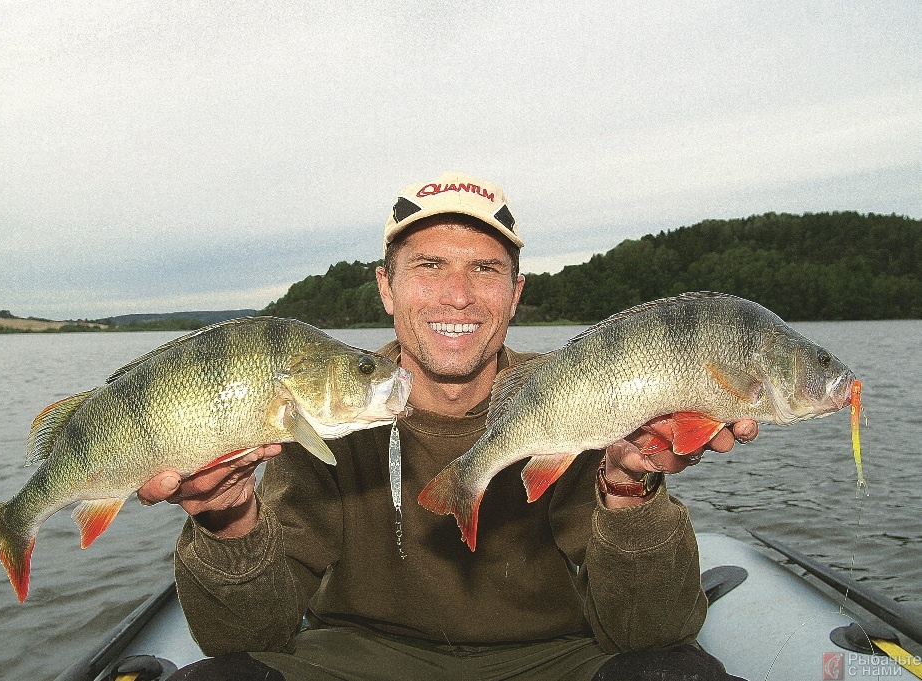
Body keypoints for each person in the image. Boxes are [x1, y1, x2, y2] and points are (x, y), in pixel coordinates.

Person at [138, 171, 758, 681]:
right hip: (358, 660)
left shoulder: (578, 395)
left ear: (515, 294)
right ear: (387, 287)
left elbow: (651, 633)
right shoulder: (323, 406)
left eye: (485, 269)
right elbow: (246, 639)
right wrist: (225, 516)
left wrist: (631, 483)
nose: (456, 295)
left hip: (552, 658)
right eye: (429, 265)